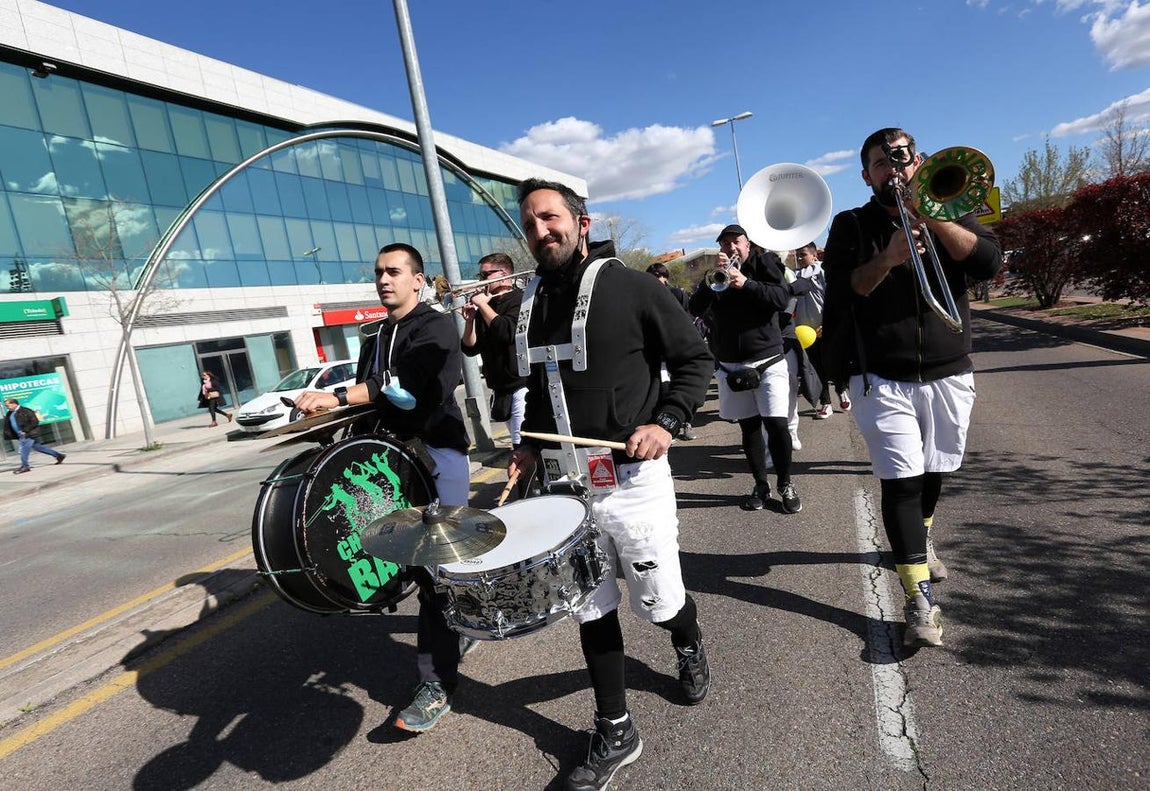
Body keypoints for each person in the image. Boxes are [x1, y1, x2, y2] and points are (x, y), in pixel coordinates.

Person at [509, 178, 713, 791]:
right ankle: (616, 727)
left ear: (581, 221)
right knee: (589, 608)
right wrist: (525, 444)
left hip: (632, 481)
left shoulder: (629, 285)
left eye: (550, 218)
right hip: (564, 490)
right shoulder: (530, 300)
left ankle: (687, 636)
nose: (541, 231)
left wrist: (667, 421)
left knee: (659, 603)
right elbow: (541, 389)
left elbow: (695, 361)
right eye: (530, 224)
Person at [821, 127, 1002, 648]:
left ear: (918, 160)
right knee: (901, 480)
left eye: (900, 158)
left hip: (949, 369)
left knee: (934, 470)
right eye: (881, 163)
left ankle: (920, 539)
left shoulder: (951, 206)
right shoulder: (852, 224)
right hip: (882, 376)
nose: (892, 168)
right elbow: (845, 289)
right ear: (866, 175)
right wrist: (890, 257)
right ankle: (918, 596)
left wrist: (938, 219)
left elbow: (988, 262)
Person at [294, 242, 472, 732]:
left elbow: (407, 385)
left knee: (438, 570)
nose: (383, 279)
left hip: (436, 454)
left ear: (418, 279)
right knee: (409, 565)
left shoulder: (434, 325)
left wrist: (333, 395)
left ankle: (437, 682)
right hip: (389, 460)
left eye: (394, 271)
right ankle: (459, 623)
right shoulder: (375, 333)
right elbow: (368, 395)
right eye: (378, 272)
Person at [688, 225, 807, 514]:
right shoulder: (715, 274)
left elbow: (781, 300)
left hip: (767, 359)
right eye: (725, 243)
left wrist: (746, 283)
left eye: (736, 241)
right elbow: (695, 307)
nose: (731, 248)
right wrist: (709, 281)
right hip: (731, 364)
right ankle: (760, 485)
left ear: (748, 243)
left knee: (777, 425)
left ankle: (786, 483)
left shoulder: (765, 263)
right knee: (749, 427)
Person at [460, 252, 529, 446]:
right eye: (480, 276)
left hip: (522, 385)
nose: (480, 281)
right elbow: (470, 349)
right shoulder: (487, 306)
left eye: (485, 275)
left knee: (521, 445)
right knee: (519, 445)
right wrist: (470, 321)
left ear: (503, 274)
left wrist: (482, 305)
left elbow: (507, 332)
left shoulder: (521, 299)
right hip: (500, 389)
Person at [791, 242, 850, 419]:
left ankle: (840, 389)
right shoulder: (793, 277)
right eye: (797, 256)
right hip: (805, 332)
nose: (800, 259)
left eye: (803, 255)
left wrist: (829, 322)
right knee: (816, 368)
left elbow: (834, 299)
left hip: (825, 328)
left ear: (814, 255)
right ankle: (826, 403)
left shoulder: (822, 272)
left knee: (832, 364)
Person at [645, 262, 698, 440]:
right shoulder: (646, 296)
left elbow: (688, 316)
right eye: (653, 276)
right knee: (662, 390)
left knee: (681, 387)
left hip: (678, 349)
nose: (657, 279)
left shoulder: (677, 294)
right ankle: (665, 428)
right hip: (657, 352)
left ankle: (686, 424)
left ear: (665, 278)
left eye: (660, 275)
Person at [4, 397, 65, 473]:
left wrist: (25, 431)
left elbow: (34, 421)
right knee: (38, 447)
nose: (7, 407)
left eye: (7, 405)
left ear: (14, 404)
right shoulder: (10, 413)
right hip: (20, 435)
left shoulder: (26, 411)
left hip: (28, 434)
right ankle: (59, 456)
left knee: (24, 450)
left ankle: (25, 466)